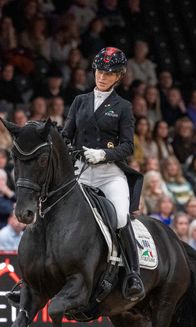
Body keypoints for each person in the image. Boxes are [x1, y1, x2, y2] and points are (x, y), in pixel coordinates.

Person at [61, 47, 145, 301]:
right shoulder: (80, 101)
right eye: (99, 71)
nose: (102, 76)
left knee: (120, 216)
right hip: (81, 170)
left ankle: (133, 273)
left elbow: (128, 146)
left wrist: (104, 155)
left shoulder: (123, 107)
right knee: (52, 208)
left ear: (119, 76)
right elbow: (66, 135)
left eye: (108, 73)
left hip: (109, 172)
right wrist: (74, 151)